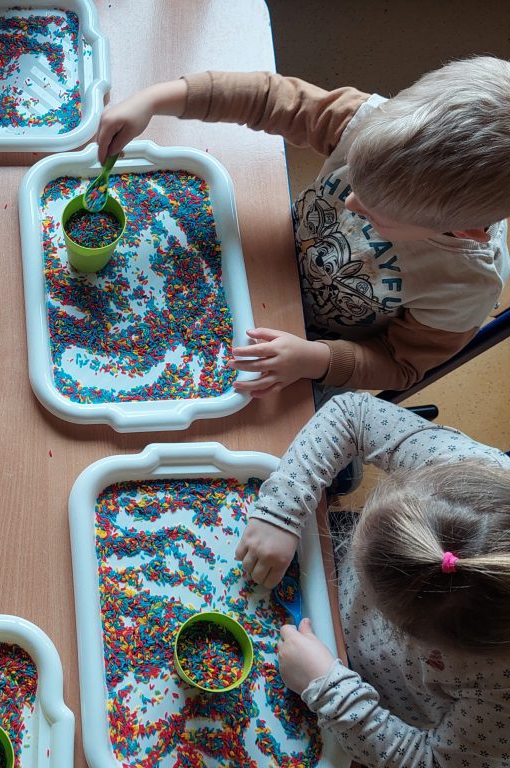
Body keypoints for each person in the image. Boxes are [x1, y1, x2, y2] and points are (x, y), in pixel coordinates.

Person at [96, 58, 510, 397]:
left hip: (315, 351)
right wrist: (155, 99)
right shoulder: (372, 124)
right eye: (354, 181)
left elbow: (399, 365)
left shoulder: (465, 285)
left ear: (465, 231)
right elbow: (266, 98)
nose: (351, 203)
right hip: (268, 260)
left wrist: (314, 359)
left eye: (375, 214)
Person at [233, 391, 510, 765]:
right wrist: (281, 511)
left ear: (412, 635)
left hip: (373, 699)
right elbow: (352, 413)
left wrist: (331, 690)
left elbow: (432, 761)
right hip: (319, 587)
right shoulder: (464, 474)